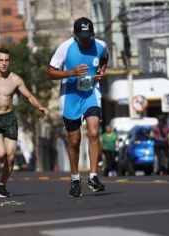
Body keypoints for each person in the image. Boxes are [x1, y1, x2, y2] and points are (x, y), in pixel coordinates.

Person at [47, 17, 109, 197]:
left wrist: (102, 71)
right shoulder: (65, 48)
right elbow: (49, 73)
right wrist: (71, 73)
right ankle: (75, 178)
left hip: (91, 93)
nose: (85, 40)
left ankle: (94, 176)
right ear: (75, 35)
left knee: (94, 132)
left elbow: (105, 57)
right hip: (70, 97)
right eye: (82, 37)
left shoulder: (100, 45)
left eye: (88, 36)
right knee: (74, 140)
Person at [0, 48, 48, 198]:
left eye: (6, 60)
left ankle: (2, 186)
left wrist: (40, 107)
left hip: (9, 118)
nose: (4, 63)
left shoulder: (15, 79)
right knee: (1, 153)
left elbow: (28, 95)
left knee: (10, 156)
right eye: (1, 60)